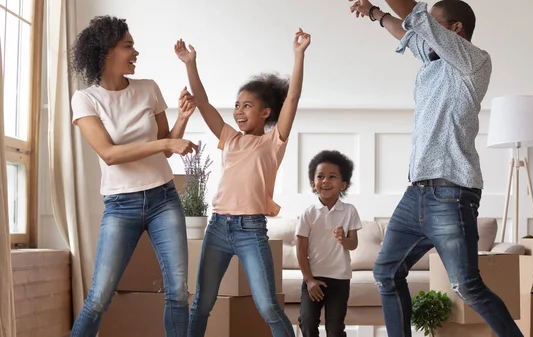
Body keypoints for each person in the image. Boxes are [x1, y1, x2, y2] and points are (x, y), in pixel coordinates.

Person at [348, 1, 524, 336]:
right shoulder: (432, 61)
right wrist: (374, 13)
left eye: (432, 24)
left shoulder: (472, 63)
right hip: (416, 193)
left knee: (468, 286)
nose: (422, 31)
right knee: (385, 272)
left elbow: (414, 15)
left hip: (451, 192)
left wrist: (407, 14)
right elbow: (406, 29)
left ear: (455, 29)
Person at [174, 28, 311, 337]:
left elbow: (293, 97)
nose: (238, 111)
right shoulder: (230, 139)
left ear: (266, 113)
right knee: (201, 304)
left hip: (251, 230)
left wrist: (299, 55)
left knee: (268, 307)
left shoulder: (273, 142)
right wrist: (189, 63)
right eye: (237, 105)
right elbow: (204, 103)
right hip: (218, 228)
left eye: (247, 105)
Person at [69, 15, 198, 337]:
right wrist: (167, 141)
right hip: (120, 205)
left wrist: (181, 119)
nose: (135, 52)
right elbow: (109, 154)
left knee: (178, 290)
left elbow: (167, 149)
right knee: (99, 296)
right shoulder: (85, 99)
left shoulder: (148, 89)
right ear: (106, 52)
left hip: (163, 198)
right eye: (128, 46)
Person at [295, 150, 362, 337]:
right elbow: (300, 250)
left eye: (332, 177)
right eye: (320, 177)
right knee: (307, 324)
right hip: (313, 279)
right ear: (313, 184)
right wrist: (309, 280)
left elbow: (353, 244)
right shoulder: (308, 213)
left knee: (335, 329)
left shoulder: (349, 211)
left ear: (343, 184)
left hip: (340, 279)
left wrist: (343, 239)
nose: (326, 181)